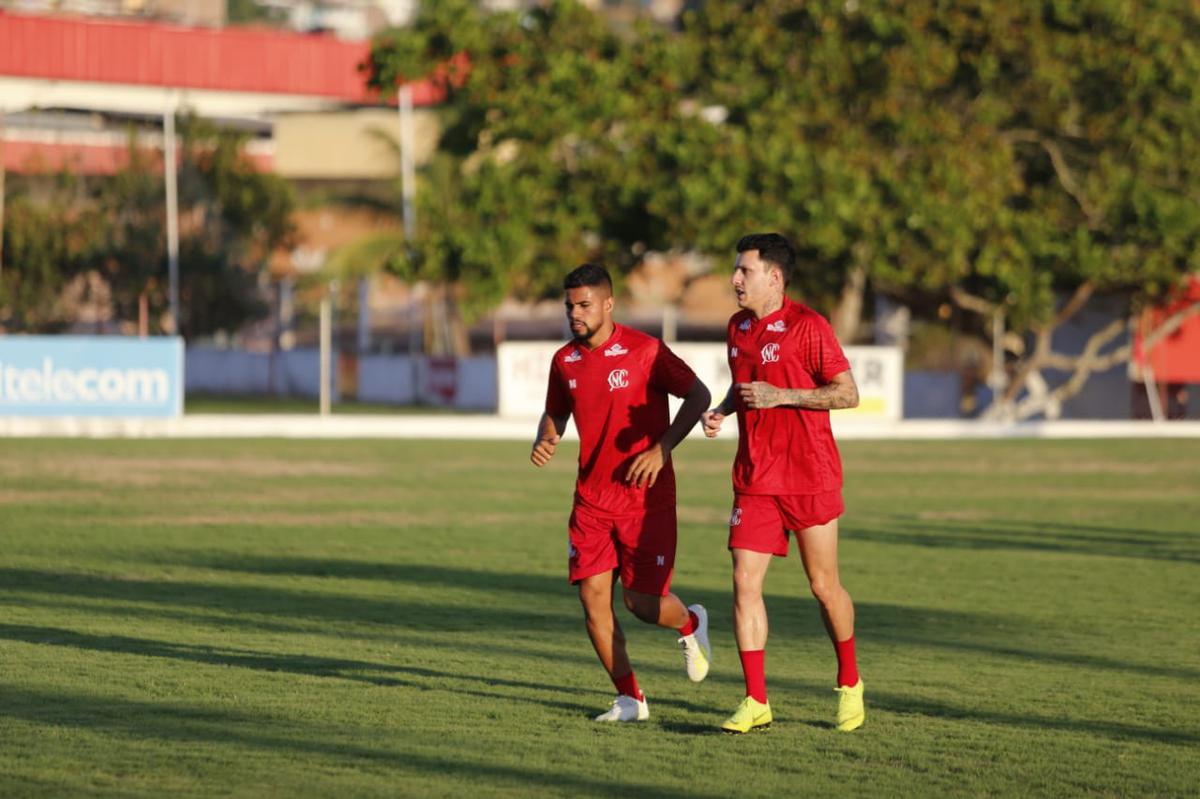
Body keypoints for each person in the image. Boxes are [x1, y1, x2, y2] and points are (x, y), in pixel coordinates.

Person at [531, 262, 713, 723]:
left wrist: (662, 449)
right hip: (591, 501)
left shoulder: (646, 351)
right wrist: (546, 436)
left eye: (584, 304)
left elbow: (699, 395)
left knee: (640, 604)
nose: (575, 313)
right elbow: (556, 412)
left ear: (608, 304)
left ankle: (690, 623)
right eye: (569, 305)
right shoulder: (564, 360)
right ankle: (631, 699)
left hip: (644, 499)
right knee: (593, 602)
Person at [701, 233, 864, 734]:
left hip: (810, 475)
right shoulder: (737, 326)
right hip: (754, 479)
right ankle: (756, 700)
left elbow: (848, 394)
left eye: (743, 272)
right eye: (735, 270)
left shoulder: (809, 326)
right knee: (743, 584)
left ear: (774, 277)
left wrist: (782, 396)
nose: (734, 280)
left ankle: (850, 682)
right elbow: (744, 382)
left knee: (823, 586)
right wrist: (724, 410)